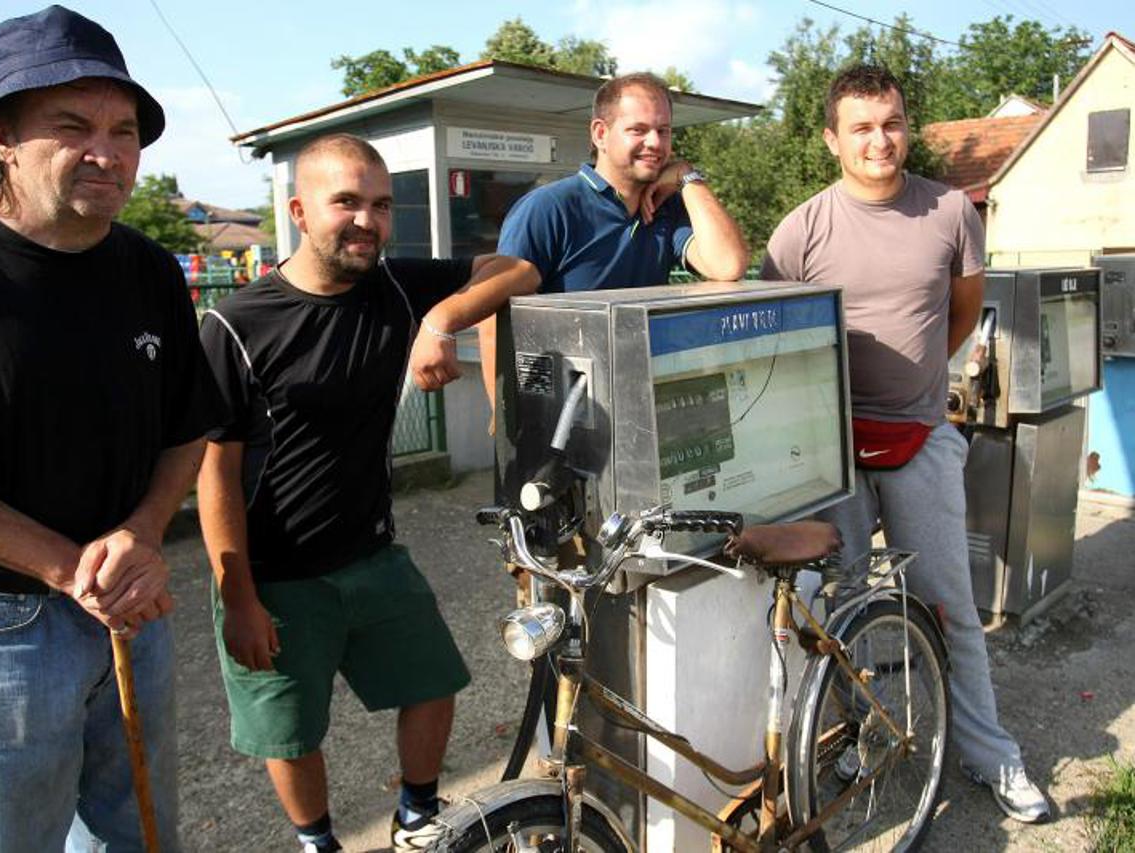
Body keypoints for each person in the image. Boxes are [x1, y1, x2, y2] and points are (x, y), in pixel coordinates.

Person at [0, 6, 224, 849]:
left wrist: (137, 533)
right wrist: (71, 570)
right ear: (4, 137)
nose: (108, 151)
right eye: (72, 125)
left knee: (138, 834)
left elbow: (189, 427)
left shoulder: (145, 266)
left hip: (133, 604)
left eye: (124, 129)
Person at [196, 133, 538, 853]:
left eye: (381, 205)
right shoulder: (235, 323)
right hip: (276, 574)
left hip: (373, 554)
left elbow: (519, 270)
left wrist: (441, 317)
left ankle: (416, 814)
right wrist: (238, 596)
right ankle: (317, 839)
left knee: (433, 682)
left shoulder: (392, 285)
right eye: (345, 201)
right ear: (298, 210)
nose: (366, 221)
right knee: (289, 731)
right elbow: (213, 470)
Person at [760, 63, 1051, 824]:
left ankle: (990, 751)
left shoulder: (952, 210)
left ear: (905, 127)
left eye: (889, 123)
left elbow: (959, 315)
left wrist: (918, 390)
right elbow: (774, 339)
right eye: (859, 127)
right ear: (831, 139)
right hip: (833, 454)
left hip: (921, 438)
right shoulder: (800, 229)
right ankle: (872, 734)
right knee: (852, 607)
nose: (877, 140)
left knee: (949, 605)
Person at [478, 71, 749, 403]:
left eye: (663, 131)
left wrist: (686, 176)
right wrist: (502, 420)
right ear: (600, 134)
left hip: (644, 403)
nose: (655, 143)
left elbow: (729, 264)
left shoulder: (668, 209)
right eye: (638, 129)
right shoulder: (549, 208)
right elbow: (493, 317)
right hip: (564, 414)